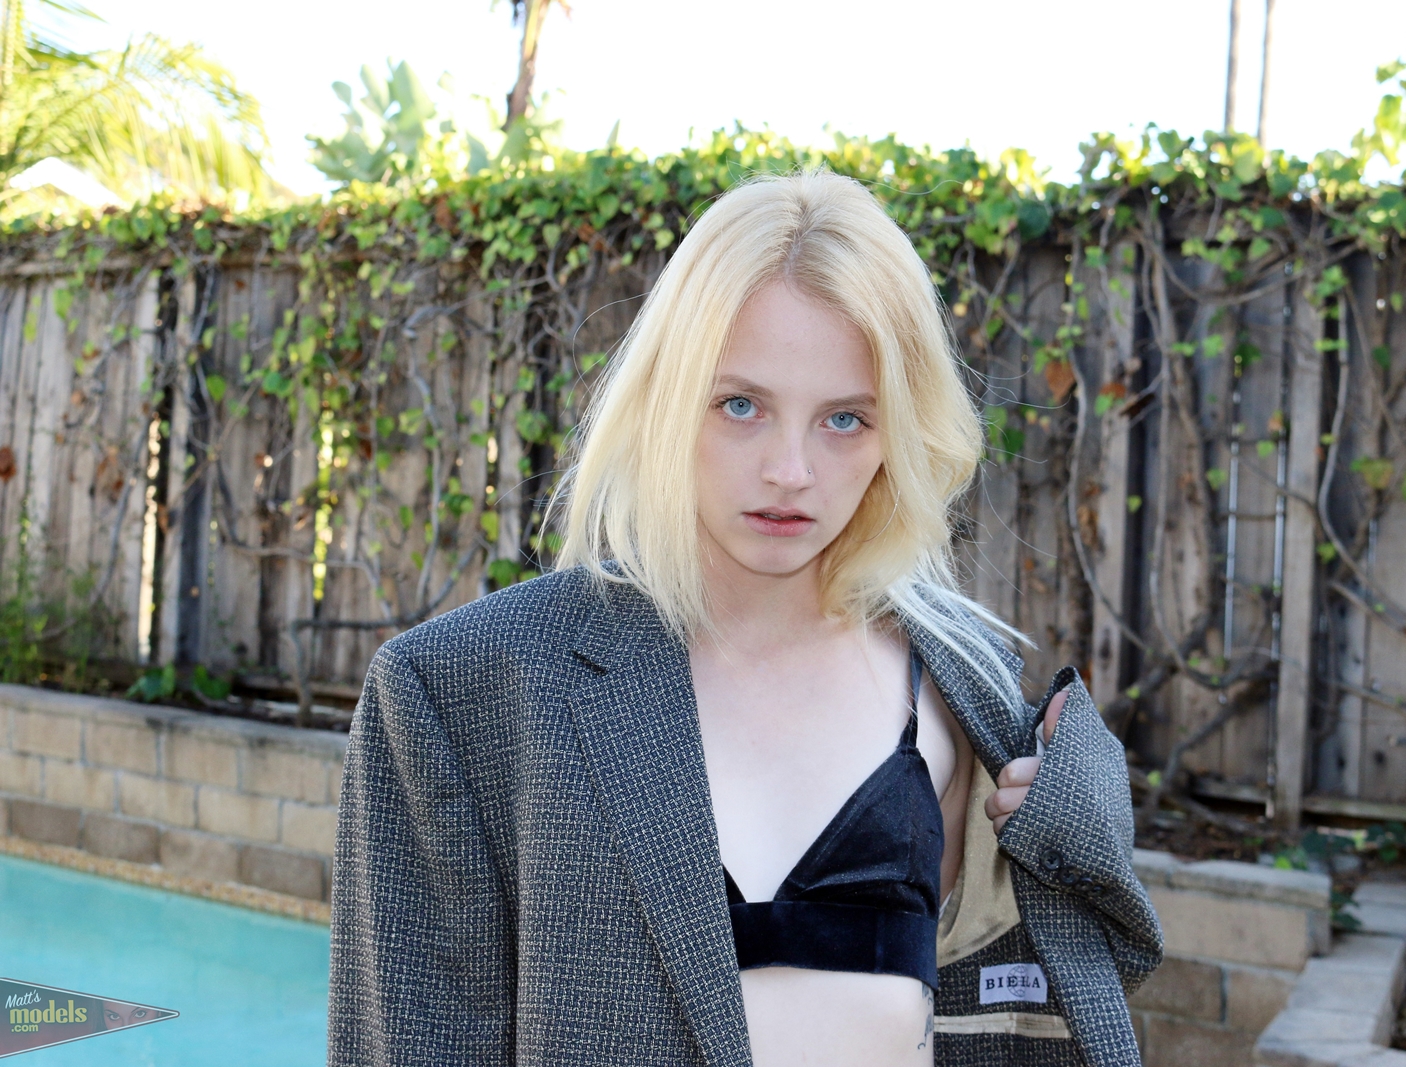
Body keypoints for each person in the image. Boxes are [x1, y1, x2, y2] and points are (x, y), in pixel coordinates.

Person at [327, 170, 1162, 1067]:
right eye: (740, 405)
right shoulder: (459, 689)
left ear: (899, 432)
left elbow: (1060, 996)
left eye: (844, 419)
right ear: (663, 395)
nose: (789, 470)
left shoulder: (966, 692)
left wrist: (1078, 841)